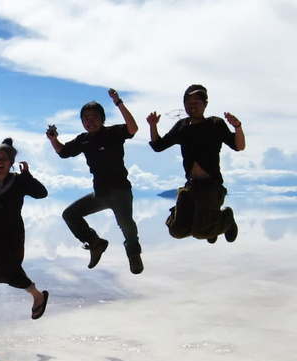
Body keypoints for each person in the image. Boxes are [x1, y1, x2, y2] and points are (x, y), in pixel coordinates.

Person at [46, 88, 143, 274]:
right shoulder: (83, 140)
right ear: (82, 122)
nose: (90, 121)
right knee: (70, 215)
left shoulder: (113, 133)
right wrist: (53, 139)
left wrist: (118, 102)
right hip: (100, 194)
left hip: (121, 192)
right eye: (86, 118)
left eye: (94, 117)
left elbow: (133, 129)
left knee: (127, 225)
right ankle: (95, 242)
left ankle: (134, 254)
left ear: (102, 119)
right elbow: (63, 152)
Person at [147, 84, 245, 243]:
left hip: (211, 184)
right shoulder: (182, 126)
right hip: (192, 185)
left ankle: (225, 218)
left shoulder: (215, 124)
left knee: (200, 233)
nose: (192, 105)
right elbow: (158, 146)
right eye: (188, 102)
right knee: (177, 231)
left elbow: (239, 146)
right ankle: (210, 226)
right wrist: (153, 125)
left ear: (205, 104)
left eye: (197, 102)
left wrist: (237, 127)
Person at [0, 138, 49, 320]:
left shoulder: (20, 181)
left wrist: (27, 176)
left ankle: (38, 296)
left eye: (4, 158)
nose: (0, 161)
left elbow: (41, 193)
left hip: (13, 233)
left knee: (12, 270)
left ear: (11, 162)